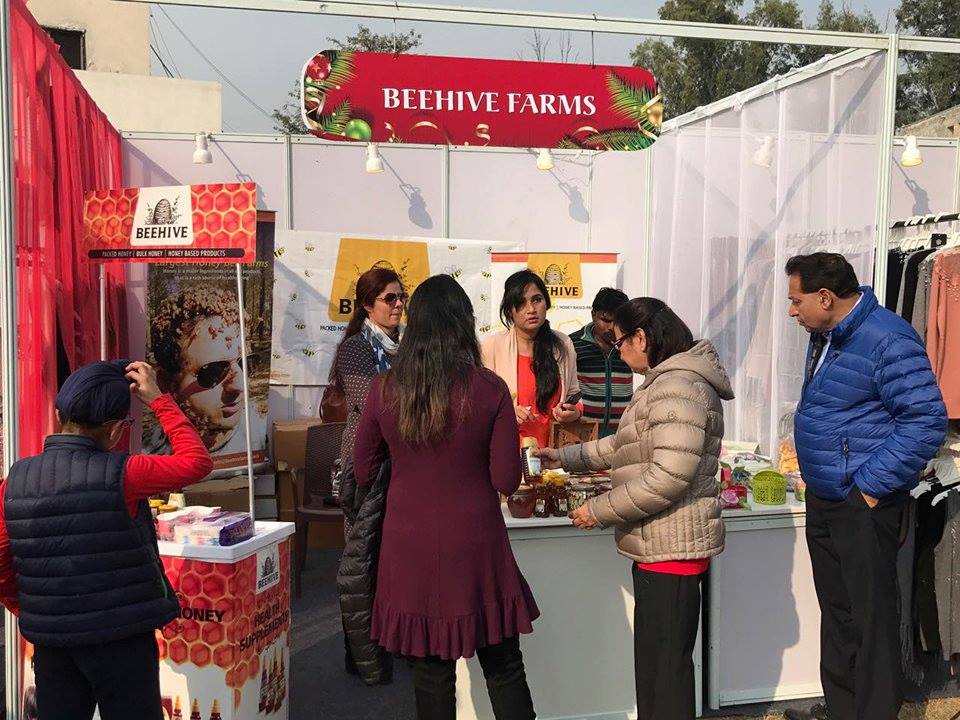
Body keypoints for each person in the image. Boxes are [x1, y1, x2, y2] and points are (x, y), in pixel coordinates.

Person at [353, 274, 539, 720]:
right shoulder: (490, 389)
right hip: (477, 542)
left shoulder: (385, 388)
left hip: (409, 541)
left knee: (431, 674)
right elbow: (506, 479)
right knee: (503, 666)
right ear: (463, 323)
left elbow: (363, 470)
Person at [537, 298, 732, 720]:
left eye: (619, 341)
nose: (618, 352)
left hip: (672, 550)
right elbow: (627, 443)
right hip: (661, 545)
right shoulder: (666, 383)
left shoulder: (678, 386)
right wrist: (566, 457)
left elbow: (668, 476)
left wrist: (599, 510)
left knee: (665, 671)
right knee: (658, 666)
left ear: (641, 338)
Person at [782, 254, 947, 720]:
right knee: (839, 613)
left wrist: (870, 487)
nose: (792, 311)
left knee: (870, 616)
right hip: (827, 496)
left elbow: (925, 420)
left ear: (825, 297)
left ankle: (873, 712)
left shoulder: (887, 338)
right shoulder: (827, 335)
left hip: (862, 502)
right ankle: (843, 709)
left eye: (796, 301)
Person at [0, 360, 213, 719]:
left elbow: (2, 560)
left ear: (59, 415)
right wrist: (158, 399)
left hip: (53, 642)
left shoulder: (14, 481)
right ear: (115, 430)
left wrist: (31, 607)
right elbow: (196, 461)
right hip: (122, 641)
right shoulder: (125, 473)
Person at [329, 266, 405, 682]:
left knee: (392, 559)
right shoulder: (355, 349)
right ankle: (359, 655)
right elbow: (374, 403)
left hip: (402, 463)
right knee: (361, 561)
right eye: (389, 298)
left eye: (401, 297)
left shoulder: (407, 345)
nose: (398, 304)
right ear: (366, 305)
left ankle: (391, 644)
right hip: (365, 466)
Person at [148, 286, 259, 457]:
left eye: (244, 363)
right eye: (213, 372)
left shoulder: (260, 436)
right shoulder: (149, 457)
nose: (239, 385)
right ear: (165, 383)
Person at [482, 270, 581, 448]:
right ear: (509, 310)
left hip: (555, 455)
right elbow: (479, 405)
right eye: (521, 303)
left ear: (546, 303)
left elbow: (575, 395)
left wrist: (574, 412)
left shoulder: (563, 344)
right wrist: (507, 413)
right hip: (509, 452)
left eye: (537, 300)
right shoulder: (492, 347)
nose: (531, 309)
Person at [569, 287, 632, 438]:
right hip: (582, 434)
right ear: (593, 314)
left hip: (622, 434)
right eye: (606, 320)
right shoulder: (572, 344)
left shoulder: (632, 343)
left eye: (617, 321)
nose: (611, 327)